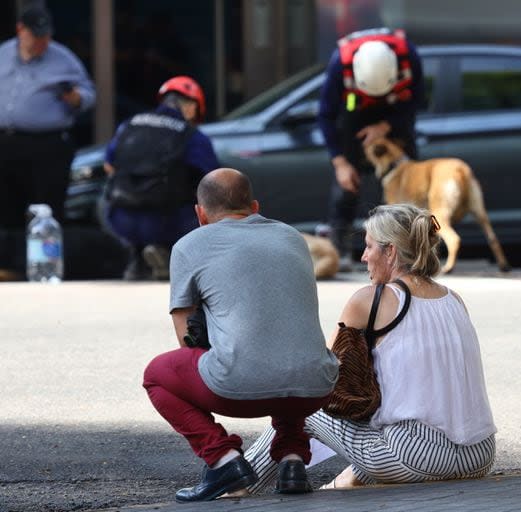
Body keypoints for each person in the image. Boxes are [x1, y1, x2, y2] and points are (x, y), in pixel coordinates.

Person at [243, 203, 496, 491]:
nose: (363, 257)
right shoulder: (454, 299)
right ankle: (345, 482)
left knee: (304, 406)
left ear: (391, 252)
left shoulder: (370, 299)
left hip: (417, 454)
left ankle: (239, 483)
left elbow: (320, 374)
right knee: (384, 429)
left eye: (369, 247)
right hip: (479, 454)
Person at [142, 167, 338, 502]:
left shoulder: (190, 245)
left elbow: (185, 336)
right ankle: (292, 460)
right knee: (282, 347)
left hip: (236, 392)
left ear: (200, 214)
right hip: (317, 387)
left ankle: (224, 459)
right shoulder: (291, 237)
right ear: (256, 208)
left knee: (157, 375)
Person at [0, 5, 96, 281]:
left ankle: (43, 265)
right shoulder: (4, 53)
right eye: (36, 36)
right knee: (6, 206)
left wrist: (77, 98)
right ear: (21, 30)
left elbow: (89, 94)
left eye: (46, 36)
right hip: (6, 141)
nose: (42, 42)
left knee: (46, 208)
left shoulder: (63, 59)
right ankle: (9, 265)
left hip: (47, 144)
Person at [318, 27, 426, 270]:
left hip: (396, 119)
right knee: (346, 189)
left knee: (403, 187)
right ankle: (340, 251)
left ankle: (406, 253)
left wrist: (385, 126)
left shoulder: (409, 56)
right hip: (353, 119)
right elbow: (325, 116)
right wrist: (340, 163)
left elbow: (417, 101)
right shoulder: (340, 65)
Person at [103, 76, 219, 280]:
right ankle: (167, 253)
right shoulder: (192, 135)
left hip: (121, 219)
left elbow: (109, 165)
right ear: (192, 107)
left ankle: (136, 256)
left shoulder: (129, 125)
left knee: (107, 197)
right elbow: (211, 180)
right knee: (210, 204)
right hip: (168, 222)